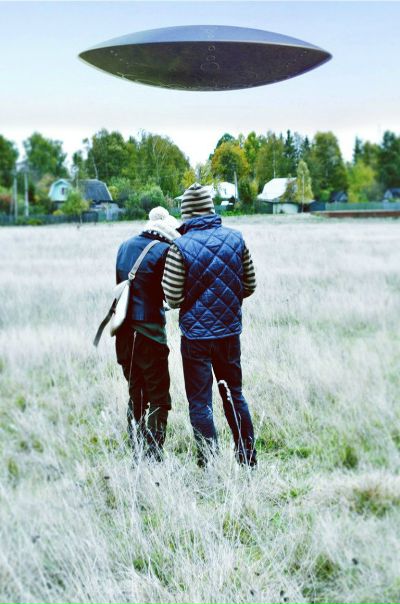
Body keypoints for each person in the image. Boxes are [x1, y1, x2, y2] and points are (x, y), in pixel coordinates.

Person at [162, 183, 257, 467]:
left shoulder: (179, 246)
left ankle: (210, 463)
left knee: (200, 402)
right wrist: (226, 300)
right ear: (211, 208)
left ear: (186, 212)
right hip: (229, 332)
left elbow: (172, 296)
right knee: (234, 395)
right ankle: (247, 458)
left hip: (195, 338)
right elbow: (250, 285)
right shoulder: (236, 239)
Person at [115, 207, 180, 460]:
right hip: (149, 334)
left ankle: (136, 446)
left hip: (123, 332)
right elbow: (168, 293)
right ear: (167, 229)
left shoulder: (124, 246)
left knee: (136, 392)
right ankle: (153, 453)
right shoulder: (164, 251)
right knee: (159, 396)